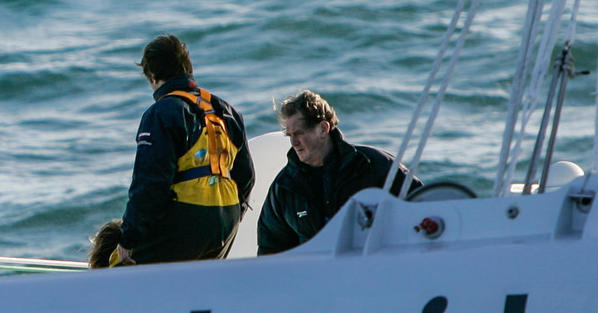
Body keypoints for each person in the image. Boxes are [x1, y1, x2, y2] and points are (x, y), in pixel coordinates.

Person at [115, 35, 254, 265]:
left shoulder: (162, 112)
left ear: (152, 76)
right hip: (227, 220)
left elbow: (151, 183)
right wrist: (231, 216)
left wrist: (129, 238)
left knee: (119, 268)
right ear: (187, 69)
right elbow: (246, 175)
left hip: (189, 218)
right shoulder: (227, 111)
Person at [257, 90, 420, 255]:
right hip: (315, 276)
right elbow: (270, 248)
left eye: (299, 133)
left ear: (323, 128)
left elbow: (420, 206)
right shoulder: (285, 185)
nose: (294, 142)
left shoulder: (373, 165)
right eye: (290, 135)